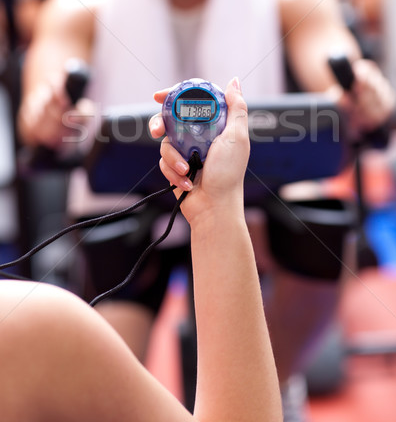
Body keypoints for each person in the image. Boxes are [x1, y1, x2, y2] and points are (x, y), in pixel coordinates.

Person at [17, 0, 396, 419]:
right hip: (131, 201)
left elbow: (342, 77)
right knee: (102, 390)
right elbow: (39, 107)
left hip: (249, 197)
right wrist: (47, 113)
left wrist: (365, 95)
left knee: (323, 238)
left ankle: (279, 383)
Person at [1, 79, 283, 422]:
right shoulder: (35, 328)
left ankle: (288, 377)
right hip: (125, 230)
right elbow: (45, 71)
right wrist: (216, 213)